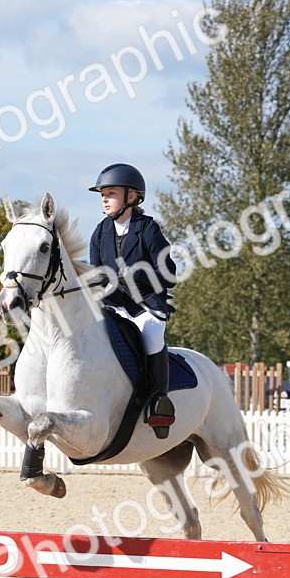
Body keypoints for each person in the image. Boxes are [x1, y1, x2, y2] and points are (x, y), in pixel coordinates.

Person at [87, 163, 178, 434]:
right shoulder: (100, 231)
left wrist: (131, 278)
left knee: (150, 336)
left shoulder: (147, 229)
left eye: (111, 193)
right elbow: (96, 272)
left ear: (131, 197)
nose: (104, 199)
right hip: (113, 306)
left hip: (146, 306)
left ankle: (160, 401)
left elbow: (168, 274)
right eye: (102, 193)